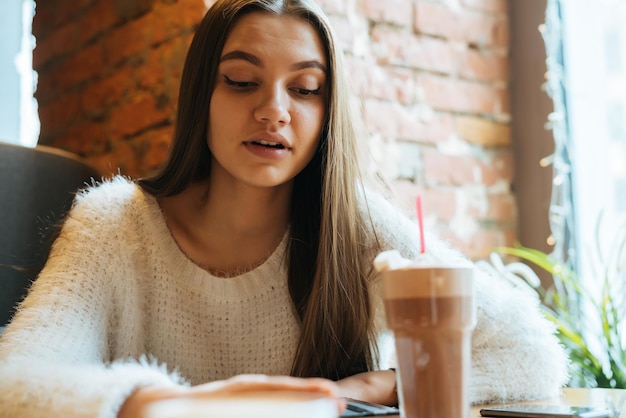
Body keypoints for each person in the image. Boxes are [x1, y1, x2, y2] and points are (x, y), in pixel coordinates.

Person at [0, 0, 569, 417]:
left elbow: (533, 354)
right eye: (243, 82)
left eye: (304, 89)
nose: (273, 111)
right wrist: (158, 403)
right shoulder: (113, 224)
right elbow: (15, 380)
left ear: (327, 115)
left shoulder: (358, 226)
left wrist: (380, 385)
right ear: (204, 94)